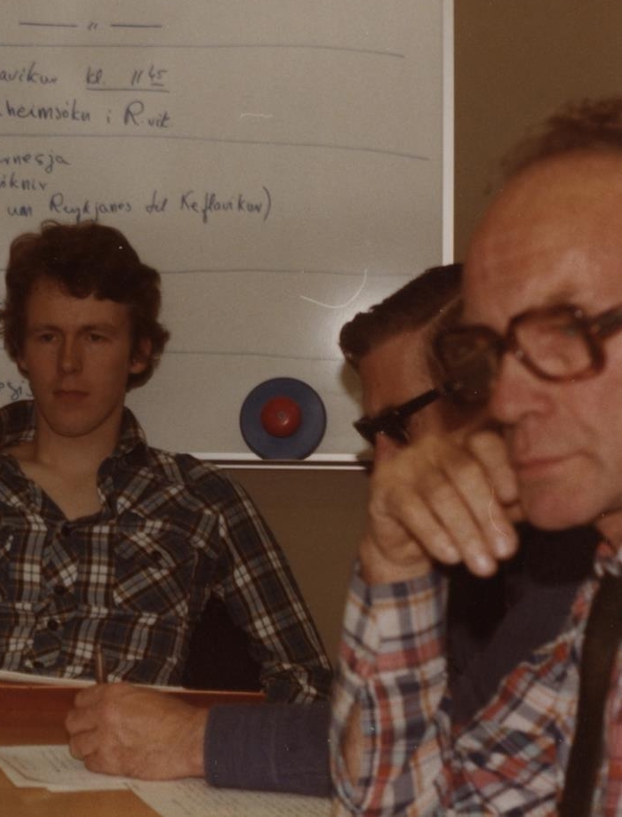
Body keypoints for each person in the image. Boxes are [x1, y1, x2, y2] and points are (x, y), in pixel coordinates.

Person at [66, 263, 597, 794]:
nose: (383, 468)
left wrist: (192, 739)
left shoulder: (582, 554)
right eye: (372, 435)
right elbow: (386, 742)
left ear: (489, 398)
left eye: (397, 426)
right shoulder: (466, 550)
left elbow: (455, 751)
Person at [0, 220, 332, 700]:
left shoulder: (204, 501)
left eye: (95, 337)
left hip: (126, 762)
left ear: (138, 354)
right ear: (20, 351)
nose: (68, 363)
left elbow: (306, 683)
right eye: (48, 337)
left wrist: (191, 737)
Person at [331, 97, 622, 815]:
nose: (506, 399)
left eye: (564, 329)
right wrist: (396, 564)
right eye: (488, 350)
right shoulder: (603, 605)